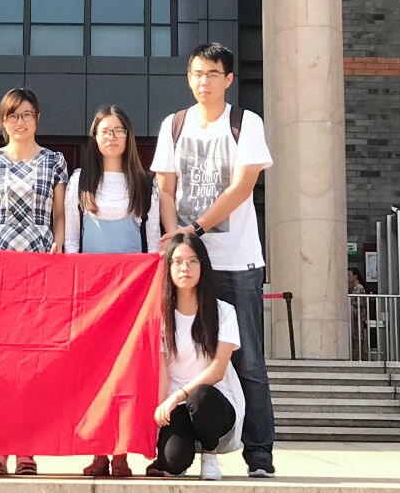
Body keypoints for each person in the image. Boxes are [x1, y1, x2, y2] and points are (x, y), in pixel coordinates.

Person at [151, 43, 277, 478]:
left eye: (212, 74)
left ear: (229, 79)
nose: (203, 81)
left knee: (249, 362)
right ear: (189, 78)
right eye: (197, 73)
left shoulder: (246, 123)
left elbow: (242, 187)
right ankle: (175, 441)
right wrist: (177, 241)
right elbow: (166, 189)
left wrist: (195, 230)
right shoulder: (174, 125)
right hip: (186, 263)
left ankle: (259, 455)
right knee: (175, 351)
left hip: (236, 262)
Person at [0, 86, 67, 477]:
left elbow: (59, 214)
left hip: (39, 267)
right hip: (0, 268)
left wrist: (59, 243)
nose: (20, 122)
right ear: (3, 121)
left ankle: (27, 447)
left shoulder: (55, 161)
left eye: (27, 114)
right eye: (13, 115)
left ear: (37, 119)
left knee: (32, 362)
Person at [66, 104, 161, 478]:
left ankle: (121, 450)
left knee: (127, 373)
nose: (112, 137)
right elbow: (72, 240)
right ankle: (98, 450)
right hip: (91, 291)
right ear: (94, 137)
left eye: (118, 130)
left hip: (132, 293)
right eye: (105, 131)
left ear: (129, 137)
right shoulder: (79, 181)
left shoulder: (145, 183)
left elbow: (153, 243)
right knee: (93, 373)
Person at [146, 231, 242, 481]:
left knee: (201, 396)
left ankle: (209, 456)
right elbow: (162, 373)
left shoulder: (223, 311)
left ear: (203, 266)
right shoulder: (160, 315)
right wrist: (161, 411)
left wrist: (178, 395)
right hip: (176, 406)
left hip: (214, 402)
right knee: (172, 463)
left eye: (192, 261)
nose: (185, 268)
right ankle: (181, 449)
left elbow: (217, 371)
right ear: (168, 268)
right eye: (177, 261)